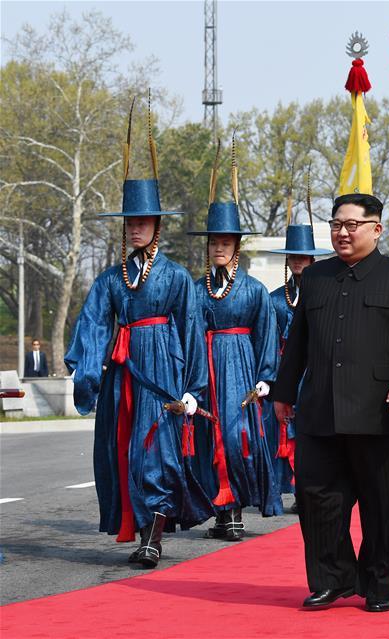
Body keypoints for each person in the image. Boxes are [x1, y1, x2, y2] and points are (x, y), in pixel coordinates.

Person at [65, 112, 211, 568]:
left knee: (157, 451)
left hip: (162, 372)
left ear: (157, 225)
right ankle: (138, 528)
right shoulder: (110, 279)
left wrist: (191, 388)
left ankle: (154, 537)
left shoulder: (177, 278)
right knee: (123, 451)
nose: (134, 227)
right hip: (121, 376)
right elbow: (91, 326)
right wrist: (88, 372)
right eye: (129, 221)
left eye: (143, 220)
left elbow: (191, 328)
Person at [271, 193, 389, 613]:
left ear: (376, 228)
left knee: (380, 504)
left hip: (378, 410)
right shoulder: (316, 277)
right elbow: (297, 340)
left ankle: (378, 584)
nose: (342, 232)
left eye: (352, 224)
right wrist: (284, 391)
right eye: (337, 224)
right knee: (316, 497)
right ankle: (332, 579)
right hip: (320, 407)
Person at [189, 155, 282, 541]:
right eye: (214, 242)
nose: (219, 248)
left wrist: (266, 378)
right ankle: (220, 512)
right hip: (205, 367)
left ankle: (237, 506)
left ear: (237, 246)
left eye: (226, 242)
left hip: (242, 367)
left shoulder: (255, 290)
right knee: (208, 438)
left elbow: (267, 335)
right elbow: (186, 334)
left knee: (237, 437)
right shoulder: (195, 289)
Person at [265, 220, 330, 511]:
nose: (298, 262)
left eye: (303, 257)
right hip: (286, 368)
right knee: (283, 431)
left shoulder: (325, 292)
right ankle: (283, 490)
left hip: (316, 369)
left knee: (314, 431)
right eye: (293, 257)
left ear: (313, 259)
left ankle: (313, 488)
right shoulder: (276, 299)